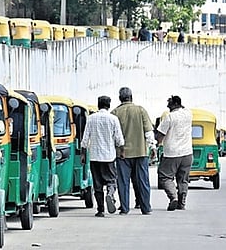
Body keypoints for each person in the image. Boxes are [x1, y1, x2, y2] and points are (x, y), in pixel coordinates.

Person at [111, 87, 156, 215]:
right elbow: (148, 131)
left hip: (122, 154)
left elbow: (113, 135)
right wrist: (152, 147)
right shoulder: (140, 110)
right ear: (131, 97)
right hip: (140, 152)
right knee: (143, 181)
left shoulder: (115, 112)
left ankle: (125, 208)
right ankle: (146, 208)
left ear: (120, 98)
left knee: (123, 182)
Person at [81, 96, 125, 217]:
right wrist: (121, 151)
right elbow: (119, 139)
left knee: (97, 184)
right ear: (109, 105)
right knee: (111, 180)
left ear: (98, 105)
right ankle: (110, 193)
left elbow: (85, 139)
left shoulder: (91, 118)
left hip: (94, 156)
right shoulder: (113, 119)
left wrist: (83, 154)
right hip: (109, 156)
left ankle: (100, 210)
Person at [155, 95, 192, 211]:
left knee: (165, 176)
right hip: (187, 153)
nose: (168, 106)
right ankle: (182, 203)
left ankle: (173, 197)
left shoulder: (169, 117)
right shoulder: (188, 114)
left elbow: (160, 135)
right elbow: (184, 108)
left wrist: (155, 143)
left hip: (171, 153)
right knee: (183, 179)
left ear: (175, 104)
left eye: (169, 104)